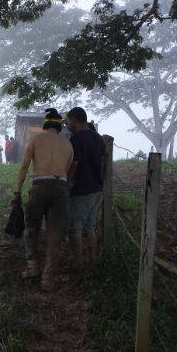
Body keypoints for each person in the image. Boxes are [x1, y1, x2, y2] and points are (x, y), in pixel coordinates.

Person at [12, 108, 73, 291]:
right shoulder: (68, 145)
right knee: (55, 234)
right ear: (59, 126)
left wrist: (18, 191)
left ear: (45, 124)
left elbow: (23, 167)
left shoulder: (35, 140)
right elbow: (68, 171)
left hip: (39, 186)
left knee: (31, 227)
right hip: (60, 189)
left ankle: (32, 266)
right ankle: (48, 278)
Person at [66, 107, 106, 270]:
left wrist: (68, 182)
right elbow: (104, 159)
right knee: (89, 226)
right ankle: (93, 259)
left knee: (75, 228)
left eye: (68, 121)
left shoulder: (76, 139)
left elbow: (74, 164)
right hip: (96, 187)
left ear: (74, 120)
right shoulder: (97, 137)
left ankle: (78, 264)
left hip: (82, 188)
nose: (67, 124)